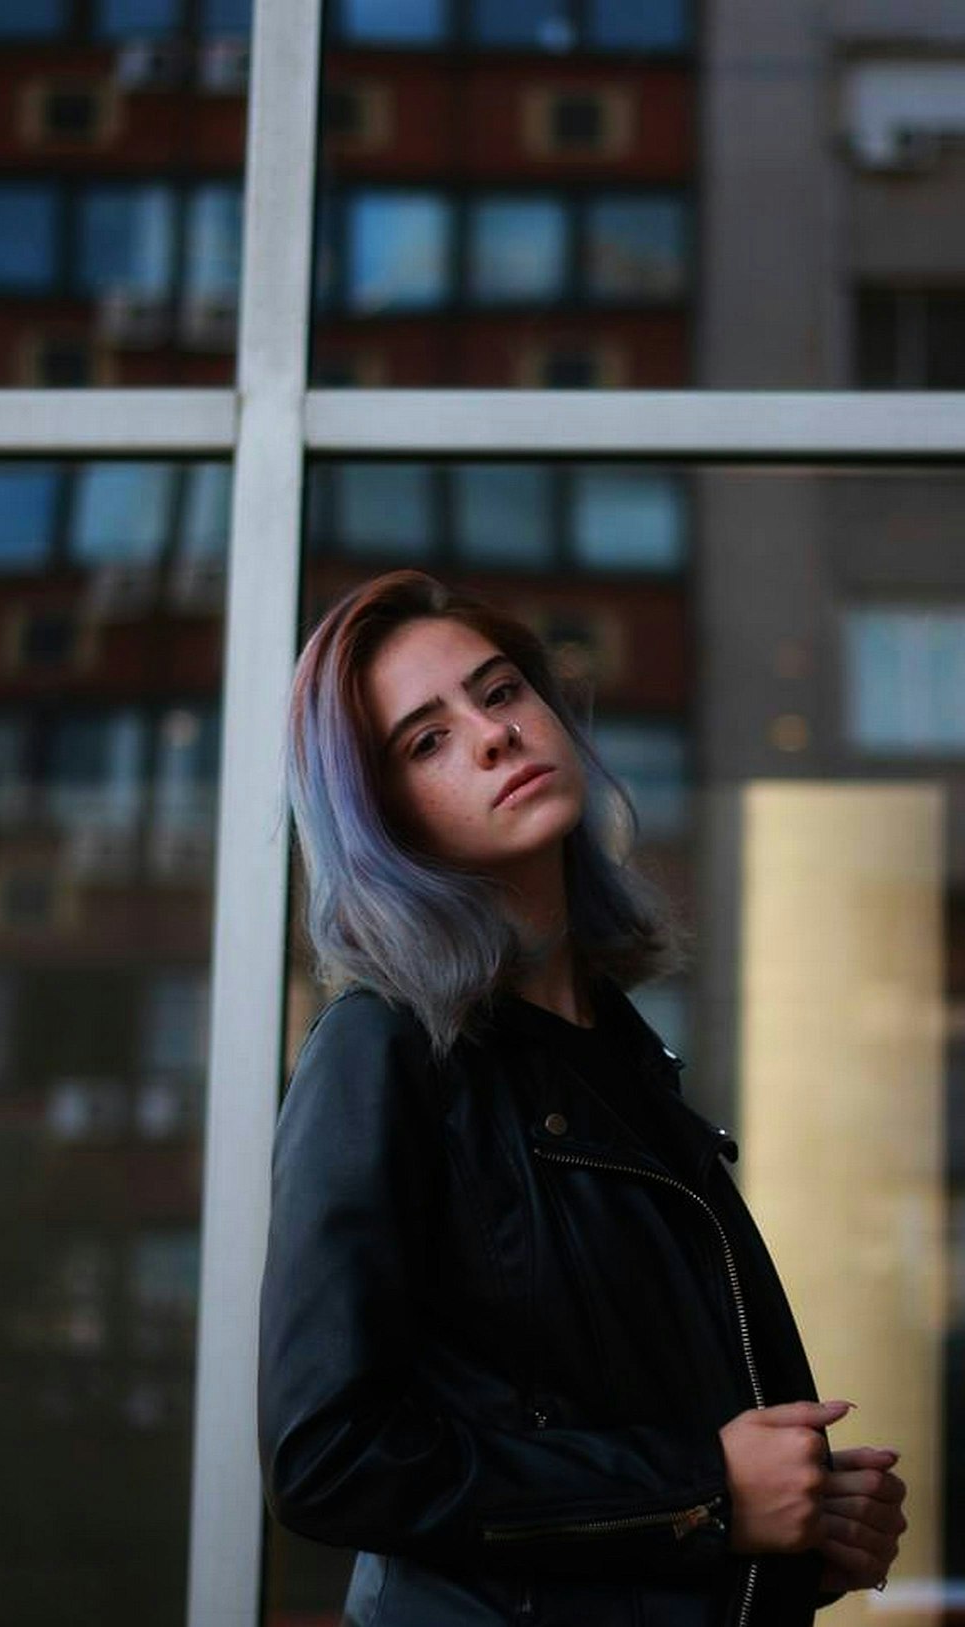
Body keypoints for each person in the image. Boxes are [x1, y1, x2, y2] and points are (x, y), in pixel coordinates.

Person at [259, 569, 907, 1627]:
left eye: (500, 691)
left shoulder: (618, 1050)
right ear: (384, 820)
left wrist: (805, 1527)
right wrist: (702, 1494)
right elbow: (327, 1459)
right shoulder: (382, 1047)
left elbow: (629, 1428)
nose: (492, 735)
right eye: (425, 741)